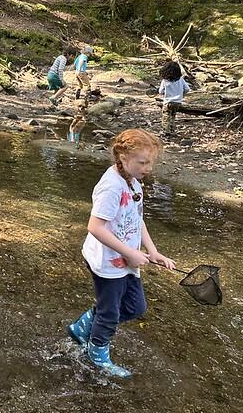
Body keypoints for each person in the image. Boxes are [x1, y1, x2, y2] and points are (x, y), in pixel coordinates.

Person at [65, 129, 175, 378]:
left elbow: (137, 219)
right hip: (107, 262)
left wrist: (152, 251)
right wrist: (129, 252)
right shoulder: (111, 187)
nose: (148, 168)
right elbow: (94, 227)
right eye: (143, 162)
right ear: (123, 159)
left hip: (127, 259)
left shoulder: (133, 182)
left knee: (136, 307)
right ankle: (97, 352)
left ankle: (84, 325)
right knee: (110, 313)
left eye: (151, 162)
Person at [158, 60, 191, 136]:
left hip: (168, 102)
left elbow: (160, 91)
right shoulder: (181, 79)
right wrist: (180, 94)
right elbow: (187, 89)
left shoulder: (165, 81)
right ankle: (172, 130)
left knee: (166, 116)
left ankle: (166, 131)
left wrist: (165, 93)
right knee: (173, 116)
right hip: (178, 102)